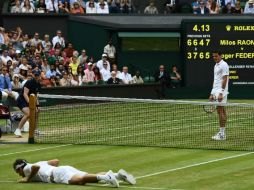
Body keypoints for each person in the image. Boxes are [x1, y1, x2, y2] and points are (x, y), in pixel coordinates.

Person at [13, 158, 136, 187]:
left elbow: (35, 168)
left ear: (19, 168)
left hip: (56, 174)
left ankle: (108, 177)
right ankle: (116, 175)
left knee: (80, 181)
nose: (19, 174)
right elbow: (56, 161)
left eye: (17, 171)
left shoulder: (27, 168)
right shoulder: (41, 162)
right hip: (63, 169)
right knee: (85, 177)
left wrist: (27, 179)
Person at [14, 70, 41, 137]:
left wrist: (37, 105)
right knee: (28, 113)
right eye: (35, 75)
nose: (36, 77)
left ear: (40, 76)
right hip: (22, 100)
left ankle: (35, 130)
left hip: (30, 100)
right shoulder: (29, 82)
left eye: (38, 75)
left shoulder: (38, 84)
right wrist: (30, 104)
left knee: (37, 112)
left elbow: (36, 96)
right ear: (33, 75)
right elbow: (25, 94)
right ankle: (18, 130)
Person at [210, 51, 229, 141]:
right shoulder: (215, 65)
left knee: (220, 111)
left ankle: (222, 134)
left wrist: (221, 92)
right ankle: (222, 132)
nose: (214, 57)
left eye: (216, 56)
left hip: (221, 92)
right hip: (216, 91)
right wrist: (212, 93)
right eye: (213, 56)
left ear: (221, 56)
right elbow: (215, 80)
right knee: (222, 111)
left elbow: (225, 79)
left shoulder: (224, 65)